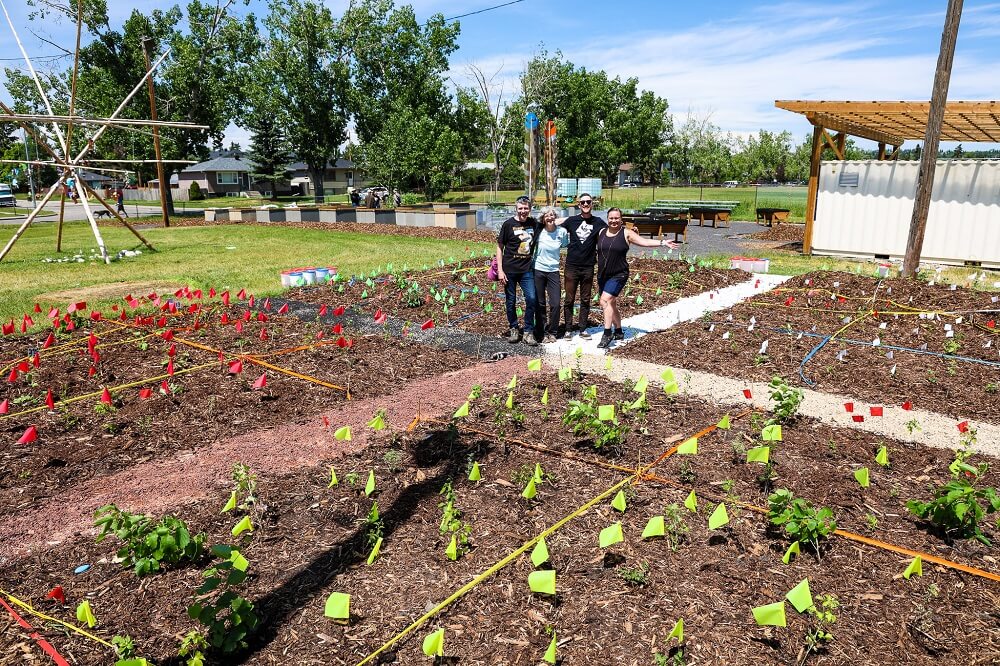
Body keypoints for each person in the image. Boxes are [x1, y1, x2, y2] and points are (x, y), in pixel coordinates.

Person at [594, 207, 679, 349]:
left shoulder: (626, 233)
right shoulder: (602, 232)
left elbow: (644, 242)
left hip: (619, 274)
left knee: (604, 301)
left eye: (616, 218)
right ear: (607, 219)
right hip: (603, 274)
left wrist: (663, 242)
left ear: (621, 219)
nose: (614, 221)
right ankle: (619, 331)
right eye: (611, 218)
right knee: (611, 303)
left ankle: (607, 333)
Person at [561, 192, 606, 339]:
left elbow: (612, 231)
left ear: (592, 204)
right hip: (571, 266)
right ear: (579, 205)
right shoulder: (572, 221)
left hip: (588, 267)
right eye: (583, 202)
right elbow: (553, 225)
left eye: (588, 202)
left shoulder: (598, 222)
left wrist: (629, 232)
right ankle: (568, 328)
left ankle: (582, 328)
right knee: (569, 299)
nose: (586, 204)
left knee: (586, 299)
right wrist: (542, 221)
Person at [496, 195, 539, 346]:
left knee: (532, 299)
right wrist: (500, 271)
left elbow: (550, 221)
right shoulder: (508, 224)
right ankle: (514, 328)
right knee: (511, 301)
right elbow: (500, 247)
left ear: (530, 209)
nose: (523, 211)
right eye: (520, 208)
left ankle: (528, 331)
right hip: (509, 270)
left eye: (526, 208)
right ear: (516, 208)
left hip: (526, 270)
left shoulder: (534, 223)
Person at [532, 207, 569, 343]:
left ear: (556, 217)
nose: (550, 217)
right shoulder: (539, 232)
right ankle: (541, 330)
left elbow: (565, 244)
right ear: (543, 218)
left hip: (553, 271)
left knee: (555, 303)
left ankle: (552, 331)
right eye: (547, 215)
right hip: (538, 270)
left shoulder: (562, 232)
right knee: (539, 303)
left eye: (552, 215)